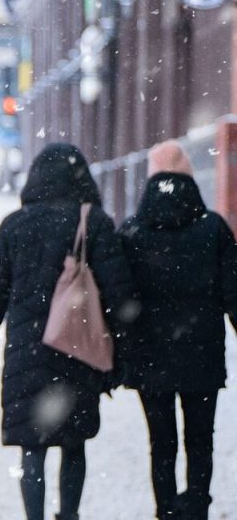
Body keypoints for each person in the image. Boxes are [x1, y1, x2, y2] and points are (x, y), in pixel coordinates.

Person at [0, 143, 135, 520]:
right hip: (79, 346)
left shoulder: (14, 224)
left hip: (27, 350)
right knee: (74, 443)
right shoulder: (93, 222)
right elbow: (118, 292)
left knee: (32, 446)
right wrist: (122, 351)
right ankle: (69, 515)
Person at [118, 140, 237, 520]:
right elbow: (233, 292)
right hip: (202, 353)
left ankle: (166, 510)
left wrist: (120, 347)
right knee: (201, 440)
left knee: (161, 441)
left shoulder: (133, 231)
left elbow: (120, 296)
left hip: (150, 355)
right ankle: (197, 507)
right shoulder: (213, 228)